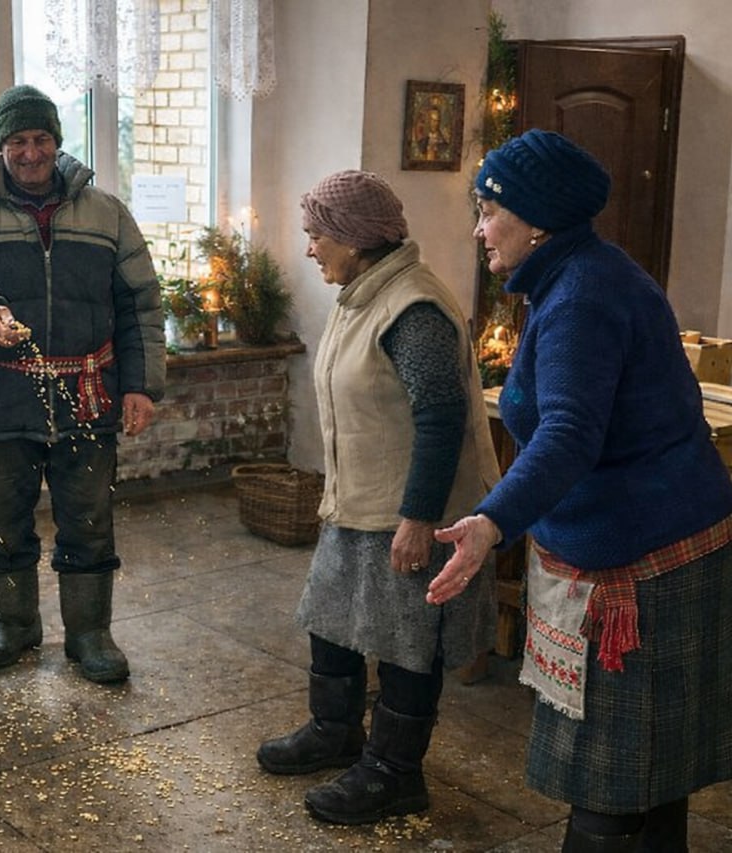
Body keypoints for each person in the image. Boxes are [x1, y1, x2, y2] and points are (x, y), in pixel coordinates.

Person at [431, 129, 732, 852]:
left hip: (649, 559)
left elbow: (568, 433)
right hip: (660, 538)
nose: (478, 230)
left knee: (613, 775)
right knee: (654, 770)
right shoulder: (578, 275)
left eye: (488, 212)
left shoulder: (582, 296)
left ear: (536, 220)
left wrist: (491, 521)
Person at [255, 170, 500, 825]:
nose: (310, 248)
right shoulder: (362, 295)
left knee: (406, 645)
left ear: (356, 237)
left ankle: (395, 773)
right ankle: (334, 731)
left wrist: (418, 519)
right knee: (331, 619)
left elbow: (440, 419)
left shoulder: (412, 308)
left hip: (410, 512)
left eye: (317, 235)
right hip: (358, 503)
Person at [0, 84, 164, 684]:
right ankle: (14, 624)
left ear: (57, 141)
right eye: (18, 141)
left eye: (42, 139)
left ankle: (90, 633)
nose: (31, 153)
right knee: (1, 518)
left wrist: (141, 385)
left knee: (89, 517)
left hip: (87, 392)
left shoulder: (107, 213)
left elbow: (140, 302)